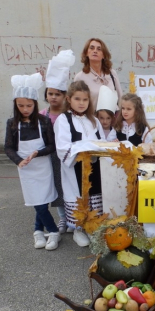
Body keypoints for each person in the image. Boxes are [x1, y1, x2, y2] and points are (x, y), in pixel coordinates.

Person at [5, 73, 60, 250]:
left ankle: (39, 230)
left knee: (42, 202)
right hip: (26, 169)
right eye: (20, 105)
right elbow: (8, 147)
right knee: (37, 202)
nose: (25, 109)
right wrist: (18, 160)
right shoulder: (12, 123)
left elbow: (52, 145)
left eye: (29, 105)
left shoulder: (44, 121)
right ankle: (52, 230)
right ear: (15, 105)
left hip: (43, 166)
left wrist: (38, 152)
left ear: (35, 104)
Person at [54, 80, 105, 246]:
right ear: (69, 99)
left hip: (94, 166)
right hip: (76, 167)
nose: (81, 103)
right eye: (77, 99)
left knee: (94, 195)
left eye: (85, 99)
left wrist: (100, 149)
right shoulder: (64, 119)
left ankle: (92, 227)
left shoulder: (94, 120)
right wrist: (84, 149)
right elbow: (62, 147)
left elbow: (102, 141)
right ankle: (78, 229)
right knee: (78, 195)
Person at [40, 49, 75, 234]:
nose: (53, 97)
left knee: (68, 187)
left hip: (66, 156)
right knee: (56, 188)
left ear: (64, 96)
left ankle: (72, 217)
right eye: (50, 93)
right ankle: (62, 217)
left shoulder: (69, 116)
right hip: (49, 157)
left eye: (57, 94)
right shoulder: (42, 115)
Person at [74, 38, 122, 107]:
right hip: (92, 117)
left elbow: (120, 98)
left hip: (111, 117)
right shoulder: (80, 77)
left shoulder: (111, 73)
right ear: (87, 53)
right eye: (92, 48)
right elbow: (76, 102)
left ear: (104, 55)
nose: (95, 51)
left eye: (99, 49)